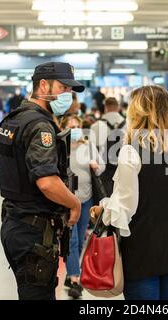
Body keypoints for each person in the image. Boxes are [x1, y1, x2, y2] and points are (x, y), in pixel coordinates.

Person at [90, 85, 168, 300]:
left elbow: (124, 209)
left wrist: (103, 208)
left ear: (137, 113)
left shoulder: (131, 151)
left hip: (142, 250)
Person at [0, 62, 83, 300]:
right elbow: (46, 182)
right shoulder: (39, 125)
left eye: (70, 90)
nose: (68, 95)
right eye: (63, 88)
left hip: (15, 222)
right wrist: (75, 204)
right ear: (43, 85)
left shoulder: (15, 119)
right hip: (33, 231)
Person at [59, 114, 105, 299]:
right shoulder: (61, 148)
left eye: (77, 126)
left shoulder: (88, 146)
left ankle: (71, 274)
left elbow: (102, 166)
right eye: (71, 126)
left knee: (80, 240)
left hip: (86, 198)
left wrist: (96, 166)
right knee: (72, 239)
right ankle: (76, 280)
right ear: (64, 129)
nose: (75, 129)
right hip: (68, 200)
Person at [90, 97, 126, 196]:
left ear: (105, 107)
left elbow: (91, 151)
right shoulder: (129, 125)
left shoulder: (96, 126)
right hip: (124, 169)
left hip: (104, 172)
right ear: (118, 107)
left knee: (106, 199)